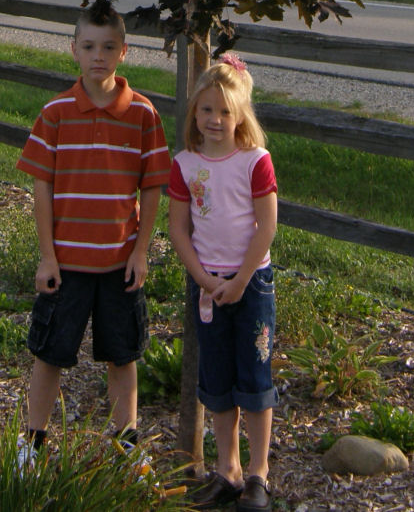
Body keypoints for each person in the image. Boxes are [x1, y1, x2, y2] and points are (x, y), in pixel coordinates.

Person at [15, 0, 171, 463]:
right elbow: (42, 186)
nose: (98, 56)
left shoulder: (142, 115)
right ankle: (31, 447)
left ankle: (126, 448)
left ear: (124, 51)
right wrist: (47, 256)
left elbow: (152, 187)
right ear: (74, 50)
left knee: (123, 356)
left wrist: (141, 252)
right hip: (67, 264)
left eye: (108, 47)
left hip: (119, 263)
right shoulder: (56, 113)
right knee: (50, 354)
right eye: (88, 46)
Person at [168, 55, 278, 512]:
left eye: (225, 111)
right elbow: (178, 229)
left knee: (254, 378)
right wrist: (203, 278)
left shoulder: (255, 162)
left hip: (251, 285)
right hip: (208, 286)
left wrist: (241, 279)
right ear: (194, 112)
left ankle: (257, 473)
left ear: (241, 116)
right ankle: (227, 470)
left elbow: (266, 226)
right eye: (206, 109)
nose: (215, 119)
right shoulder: (185, 164)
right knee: (216, 380)